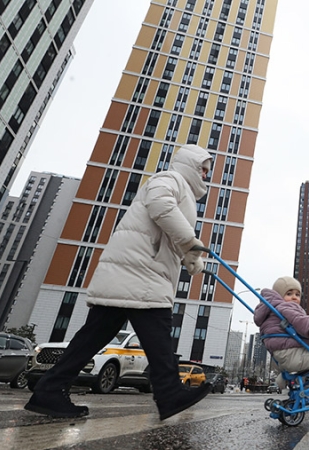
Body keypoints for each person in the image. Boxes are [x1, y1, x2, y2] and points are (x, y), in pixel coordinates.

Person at [25, 144, 214, 420]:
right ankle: (169, 392)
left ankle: (50, 389)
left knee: (93, 336)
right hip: (140, 270)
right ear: (191, 165)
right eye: (204, 169)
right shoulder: (169, 179)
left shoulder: (181, 189)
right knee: (158, 329)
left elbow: (166, 230)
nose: (206, 176)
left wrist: (190, 256)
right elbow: (161, 207)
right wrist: (190, 243)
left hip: (134, 269)